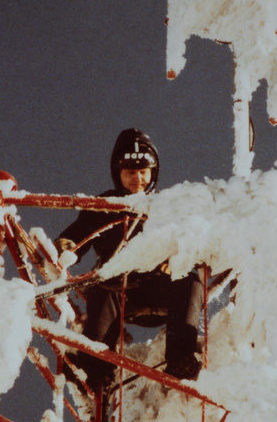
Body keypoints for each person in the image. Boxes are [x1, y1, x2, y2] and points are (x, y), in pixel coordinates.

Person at [55, 128, 204, 391]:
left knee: (191, 280)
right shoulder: (103, 206)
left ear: (153, 173)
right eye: (130, 172)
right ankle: (95, 369)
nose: (138, 179)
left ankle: (181, 358)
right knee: (100, 283)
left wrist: (178, 258)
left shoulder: (166, 204)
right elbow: (76, 239)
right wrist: (65, 247)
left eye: (143, 172)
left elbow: (191, 239)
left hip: (161, 287)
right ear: (118, 173)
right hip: (119, 292)